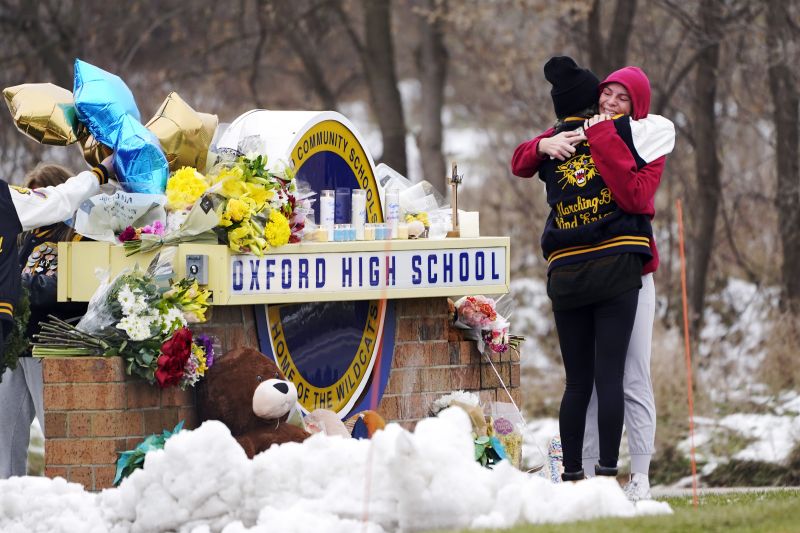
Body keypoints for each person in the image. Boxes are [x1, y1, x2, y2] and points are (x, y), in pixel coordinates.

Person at [512, 58, 673, 499]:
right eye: (608, 93)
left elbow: (634, 196)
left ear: (635, 107)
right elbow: (521, 158)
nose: (612, 102)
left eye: (624, 98)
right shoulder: (576, 129)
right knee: (587, 381)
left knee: (630, 376)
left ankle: (637, 475)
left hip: (632, 273)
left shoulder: (644, 137)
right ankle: (577, 474)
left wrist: (603, 137)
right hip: (581, 269)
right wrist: (545, 147)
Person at [0, 159, 112, 479]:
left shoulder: (82, 233)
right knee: (5, 438)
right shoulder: (25, 236)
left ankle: (67, 498)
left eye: (41, 195)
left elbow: (78, 286)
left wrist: (22, 288)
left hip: (50, 344)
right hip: (16, 347)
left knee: (57, 432)